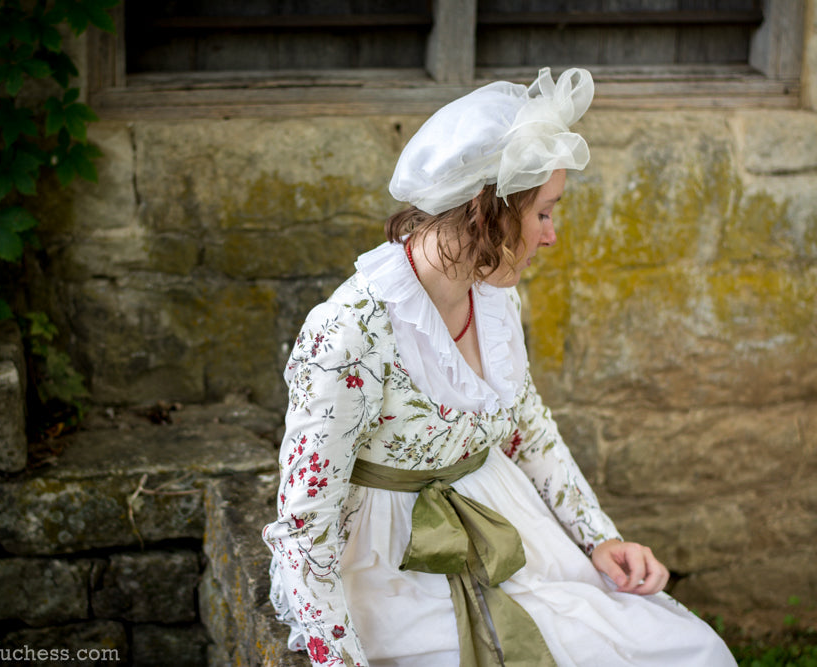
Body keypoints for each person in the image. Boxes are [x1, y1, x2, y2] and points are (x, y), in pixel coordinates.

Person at [261, 67, 735, 667]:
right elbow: (306, 532)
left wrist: (599, 536)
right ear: (487, 211)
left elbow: (526, 425)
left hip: (507, 526)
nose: (551, 236)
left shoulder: (492, 293)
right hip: (396, 571)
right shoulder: (349, 333)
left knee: (692, 650)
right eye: (543, 213)